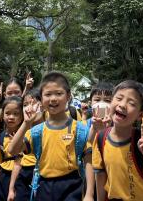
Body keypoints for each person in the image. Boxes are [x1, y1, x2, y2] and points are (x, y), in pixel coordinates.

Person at [7, 72, 94, 201]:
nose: (53, 98)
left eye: (59, 93)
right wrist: (26, 123)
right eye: (48, 94)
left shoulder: (80, 129)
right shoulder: (36, 131)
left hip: (72, 185)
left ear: (68, 96)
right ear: (41, 99)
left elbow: (88, 161)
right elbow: (12, 150)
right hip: (43, 186)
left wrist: (89, 194)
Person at [93, 80, 143, 201]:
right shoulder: (100, 137)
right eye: (119, 98)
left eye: (131, 103)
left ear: (140, 115)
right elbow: (100, 175)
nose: (122, 105)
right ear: (111, 101)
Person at [12, 90, 44, 201]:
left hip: (45, 176)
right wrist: (11, 189)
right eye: (25, 105)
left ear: (43, 105)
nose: (29, 108)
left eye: (33, 103)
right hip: (25, 176)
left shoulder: (51, 127)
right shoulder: (25, 131)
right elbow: (14, 155)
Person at [0, 96, 23, 201]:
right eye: (7, 113)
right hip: (3, 176)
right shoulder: (1, 135)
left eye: (16, 114)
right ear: (2, 115)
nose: (11, 117)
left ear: (22, 116)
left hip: (20, 177)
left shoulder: (26, 134)